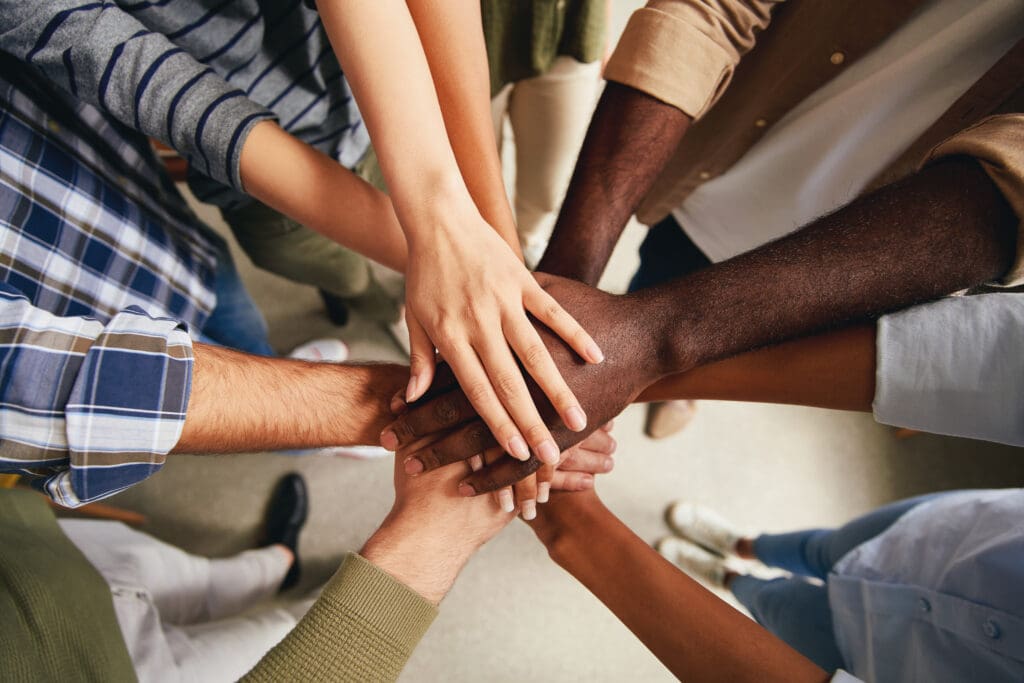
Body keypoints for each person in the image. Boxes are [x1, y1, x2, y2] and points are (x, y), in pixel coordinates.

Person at [0, 0, 606, 486]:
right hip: (266, 179)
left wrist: (486, 249)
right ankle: (377, 319)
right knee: (348, 281)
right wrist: (451, 246)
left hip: (382, 71)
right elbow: (157, 84)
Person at [537, 0, 1024, 439]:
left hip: (861, 270)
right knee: (651, 286)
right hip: (720, 182)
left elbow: (1010, 190)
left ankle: (674, 383)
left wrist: (649, 343)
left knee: (699, 348)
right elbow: (708, 11)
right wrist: (566, 298)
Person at [657, 490, 1024, 681]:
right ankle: (742, 545)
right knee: (819, 548)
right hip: (950, 539)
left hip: (886, 665)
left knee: (777, 605)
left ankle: (729, 577)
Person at [483, 0, 607, 267]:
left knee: (548, 194)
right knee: (475, 199)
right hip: (474, 24)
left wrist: (603, 23)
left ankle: (527, 249)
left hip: (574, 21)